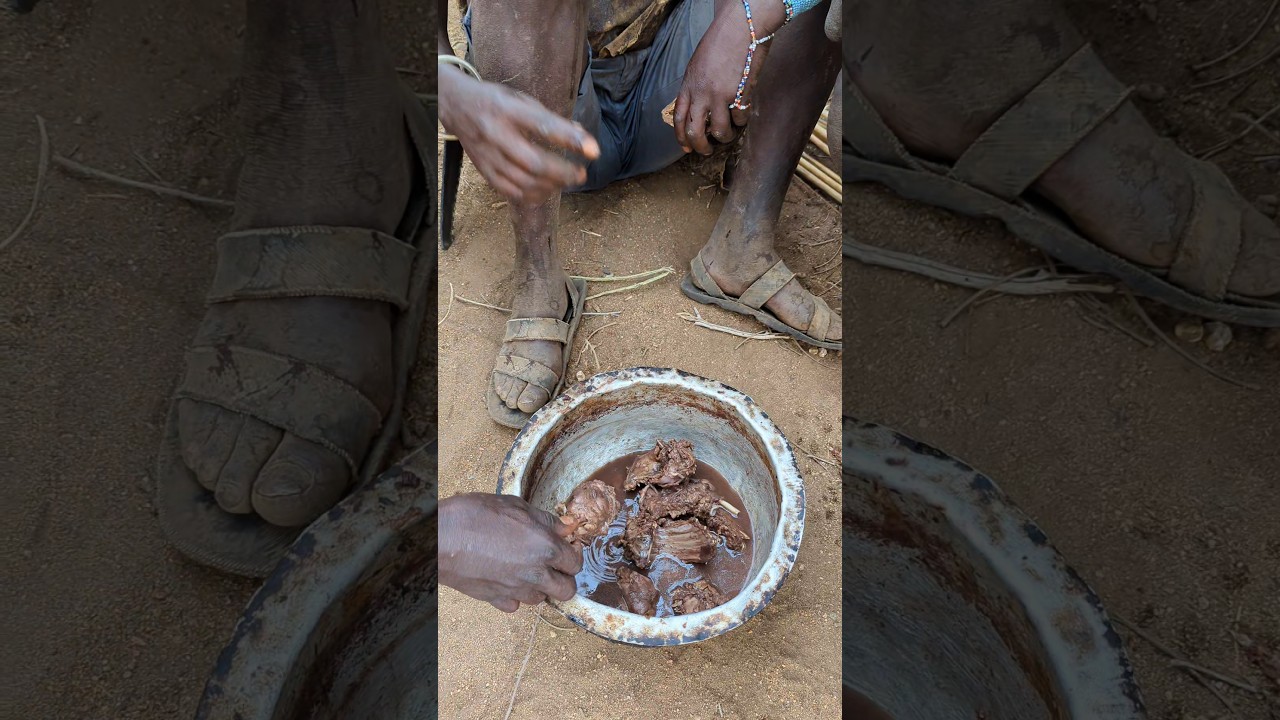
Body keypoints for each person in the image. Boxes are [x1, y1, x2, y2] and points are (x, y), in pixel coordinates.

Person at [438, 0, 844, 430]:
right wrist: (445, 77)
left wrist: (749, 17)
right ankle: (539, 284)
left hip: (679, 92)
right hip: (547, 102)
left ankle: (741, 244)